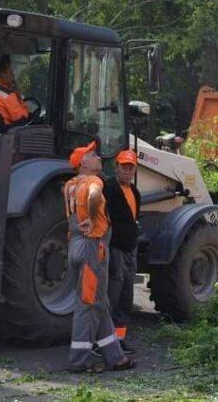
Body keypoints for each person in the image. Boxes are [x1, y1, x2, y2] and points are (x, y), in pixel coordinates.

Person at [64, 143, 134, 373]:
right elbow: (94, 196)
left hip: (75, 245)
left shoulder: (70, 185)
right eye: (93, 156)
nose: (98, 158)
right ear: (83, 162)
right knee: (87, 305)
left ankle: (115, 357)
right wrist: (94, 218)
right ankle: (78, 361)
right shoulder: (94, 182)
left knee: (98, 302)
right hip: (92, 248)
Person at [105, 149, 141, 353]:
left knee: (126, 296)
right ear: (116, 167)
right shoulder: (109, 189)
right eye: (123, 167)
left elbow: (134, 219)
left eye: (130, 168)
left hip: (130, 248)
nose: (127, 171)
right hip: (116, 248)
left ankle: (119, 340)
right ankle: (105, 341)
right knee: (114, 294)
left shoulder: (134, 192)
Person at [0, 55, 30, 133]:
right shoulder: (7, 95)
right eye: (10, 72)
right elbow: (23, 119)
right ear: (2, 74)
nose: (13, 76)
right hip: (5, 135)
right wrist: (19, 98)